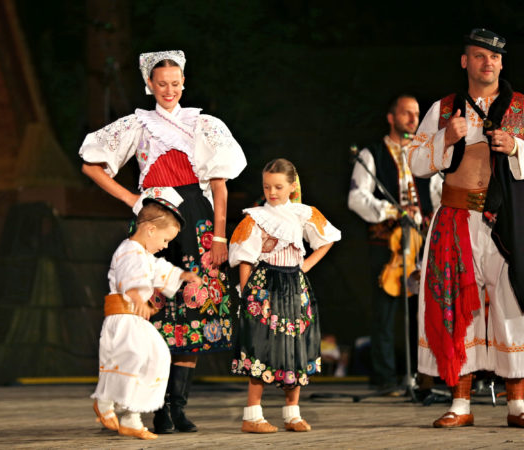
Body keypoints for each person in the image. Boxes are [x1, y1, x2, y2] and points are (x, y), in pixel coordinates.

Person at [79, 50, 246, 434]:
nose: (169, 90)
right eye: (161, 83)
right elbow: (91, 164)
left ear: (184, 82)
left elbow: (219, 186)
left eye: (175, 83)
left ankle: (175, 408)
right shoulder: (138, 125)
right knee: (151, 310)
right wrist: (132, 199)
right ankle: (148, 404)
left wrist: (219, 236)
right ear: (149, 85)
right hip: (156, 220)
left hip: (197, 220)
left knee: (193, 310)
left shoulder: (203, 124)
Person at [408, 28, 524, 428]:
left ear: (501, 63)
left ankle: (517, 406)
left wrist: (516, 148)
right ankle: (460, 405)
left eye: (494, 57)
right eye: (479, 56)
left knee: (516, 304)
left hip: (506, 220)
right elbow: (415, 162)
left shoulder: (521, 107)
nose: (487, 62)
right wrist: (445, 137)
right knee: (458, 305)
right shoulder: (444, 109)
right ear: (465, 61)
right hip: (456, 220)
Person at [229, 158, 341, 433]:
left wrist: (305, 267)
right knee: (262, 345)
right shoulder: (256, 217)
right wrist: (246, 294)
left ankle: (292, 413)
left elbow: (326, 240)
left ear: (292, 186)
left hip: (294, 284)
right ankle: (252, 415)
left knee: (295, 344)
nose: (272, 192)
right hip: (266, 284)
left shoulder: (303, 213)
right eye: (267, 186)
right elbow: (245, 257)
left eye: (278, 186)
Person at [91, 188, 201, 440]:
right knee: (131, 359)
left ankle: (131, 417)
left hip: (136, 318)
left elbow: (159, 269)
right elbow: (128, 277)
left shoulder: (144, 254)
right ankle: (106, 403)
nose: (165, 246)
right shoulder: (129, 250)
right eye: (165, 240)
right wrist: (138, 297)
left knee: (156, 356)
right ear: (150, 229)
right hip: (124, 316)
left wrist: (181, 275)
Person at [348, 94, 432, 392]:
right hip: (387, 243)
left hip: (421, 242)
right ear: (391, 117)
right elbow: (357, 198)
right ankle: (384, 378)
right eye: (406, 113)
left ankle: (423, 375)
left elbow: (436, 191)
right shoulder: (373, 153)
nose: (413, 119)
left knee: (422, 310)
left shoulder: (424, 154)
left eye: (416, 114)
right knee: (384, 313)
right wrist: (392, 211)